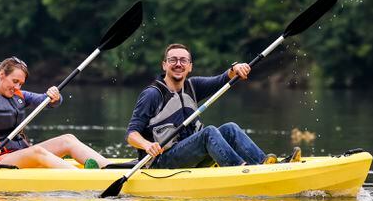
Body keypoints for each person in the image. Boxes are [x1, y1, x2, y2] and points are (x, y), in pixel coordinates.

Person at [126, 43, 300, 168]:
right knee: (208, 132)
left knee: (230, 128)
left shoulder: (193, 86)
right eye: (173, 60)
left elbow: (224, 78)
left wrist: (235, 68)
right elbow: (131, 134)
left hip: (189, 155)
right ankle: (237, 170)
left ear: (190, 67)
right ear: (164, 65)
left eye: (183, 61)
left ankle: (264, 164)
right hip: (161, 161)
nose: (178, 64)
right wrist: (147, 145)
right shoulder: (152, 94)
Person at [0, 56, 108, 169]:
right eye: (15, 81)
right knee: (37, 151)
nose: (17, 87)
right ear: (2, 75)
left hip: (20, 153)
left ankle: (109, 168)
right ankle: (83, 178)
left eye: (21, 84)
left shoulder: (20, 96)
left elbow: (47, 101)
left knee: (68, 139)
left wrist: (55, 96)